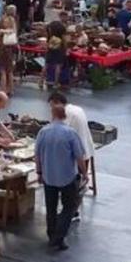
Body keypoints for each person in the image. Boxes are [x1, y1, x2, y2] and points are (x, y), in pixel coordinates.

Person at [34, 103, 86, 251]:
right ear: (64, 116)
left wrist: (39, 173)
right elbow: (79, 156)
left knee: (50, 207)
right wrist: (84, 172)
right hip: (67, 177)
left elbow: (37, 155)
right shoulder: (70, 133)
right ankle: (59, 236)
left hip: (48, 177)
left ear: (52, 115)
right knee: (69, 207)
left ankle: (52, 235)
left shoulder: (43, 132)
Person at [49, 92, 94, 222]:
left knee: (74, 185)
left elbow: (60, 132)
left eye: (52, 106)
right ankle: (73, 210)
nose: (51, 110)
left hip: (77, 153)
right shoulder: (77, 108)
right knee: (78, 184)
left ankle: (72, 213)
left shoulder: (67, 114)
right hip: (85, 149)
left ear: (57, 103)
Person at [0, 5, 18, 96]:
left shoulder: (3, 20)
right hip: (11, 47)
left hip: (2, 47)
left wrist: (0, 31)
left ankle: (3, 90)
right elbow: (14, 32)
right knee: (10, 70)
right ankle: (11, 90)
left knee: (3, 70)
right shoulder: (14, 21)